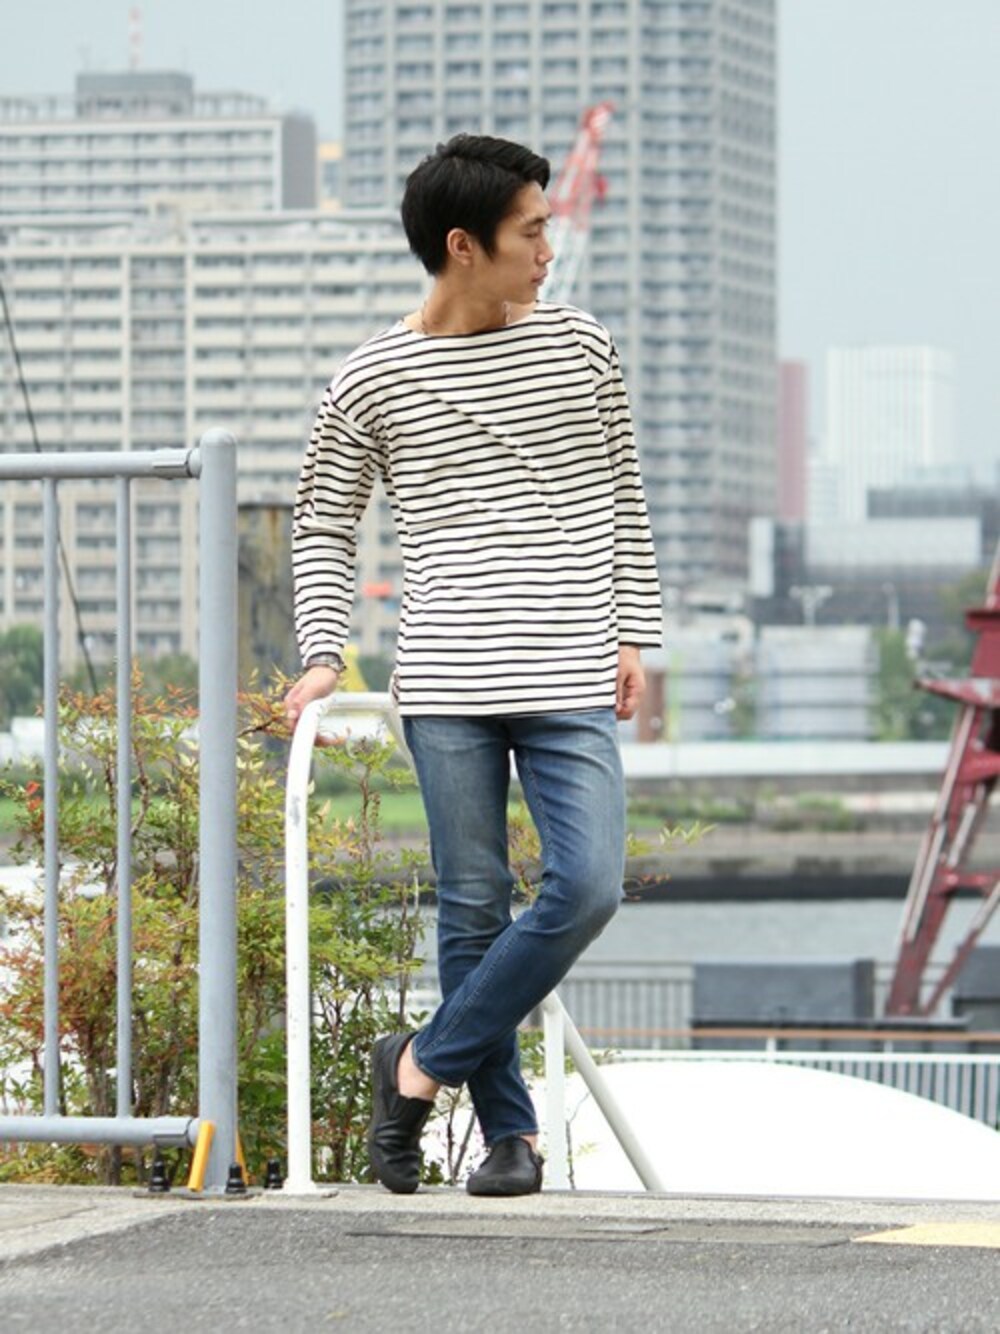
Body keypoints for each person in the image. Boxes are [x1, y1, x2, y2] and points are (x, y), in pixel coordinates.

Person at [284, 134, 663, 1197]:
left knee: (585, 886)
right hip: (447, 681)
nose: (549, 248)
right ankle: (510, 1137)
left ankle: (415, 1065)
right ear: (464, 246)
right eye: (530, 232)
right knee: (472, 906)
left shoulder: (581, 346)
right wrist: (324, 653)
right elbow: (323, 524)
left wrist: (631, 631)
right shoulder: (371, 378)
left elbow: (622, 492)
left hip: (567, 671)